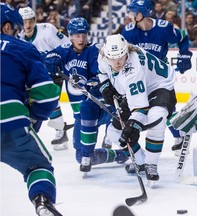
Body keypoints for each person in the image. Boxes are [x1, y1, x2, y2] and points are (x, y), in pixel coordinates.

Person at [0, 3, 62, 215]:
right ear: (7, 28)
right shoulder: (22, 47)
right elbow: (48, 94)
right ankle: (42, 202)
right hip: (8, 119)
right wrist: (34, 116)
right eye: (16, 29)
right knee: (38, 167)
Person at [44, 17, 128, 173]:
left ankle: (111, 134)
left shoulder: (95, 51)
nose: (81, 38)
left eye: (83, 34)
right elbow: (48, 57)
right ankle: (120, 155)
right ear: (70, 35)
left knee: (102, 123)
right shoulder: (64, 50)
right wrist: (50, 60)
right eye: (76, 35)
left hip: (100, 107)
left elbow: (102, 72)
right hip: (79, 115)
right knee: (80, 156)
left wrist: (95, 80)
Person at [98, 34, 177, 183]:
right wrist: (105, 85)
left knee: (156, 118)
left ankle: (151, 164)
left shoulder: (133, 71)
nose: (117, 62)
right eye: (112, 59)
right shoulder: (103, 55)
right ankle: (140, 161)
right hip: (138, 89)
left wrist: (133, 126)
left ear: (126, 52)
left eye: (121, 57)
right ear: (105, 54)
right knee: (113, 132)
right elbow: (101, 72)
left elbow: (140, 108)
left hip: (160, 86)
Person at [121, 0, 193, 160]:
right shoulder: (128, 32)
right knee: (129, 108)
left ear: (141, 14)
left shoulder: (163, 28)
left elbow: (182, 37)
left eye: (133, 13)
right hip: (138, 78)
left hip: (160, 79)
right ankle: (118, 136)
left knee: (164, 111)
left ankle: (179, 133)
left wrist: (184, 54)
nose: (130, 16)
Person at [18, 6, 73, 151]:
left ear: (35, 20)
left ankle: (59, 131)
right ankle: (44, 131)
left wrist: (53, 57)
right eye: (24, 22)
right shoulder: (18, 37)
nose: (28, 25)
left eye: (30, 21)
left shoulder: (47, 30)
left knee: (47, 97)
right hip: (34, 75)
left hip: (53, 72)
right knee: (33, 102)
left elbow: (67, 44)